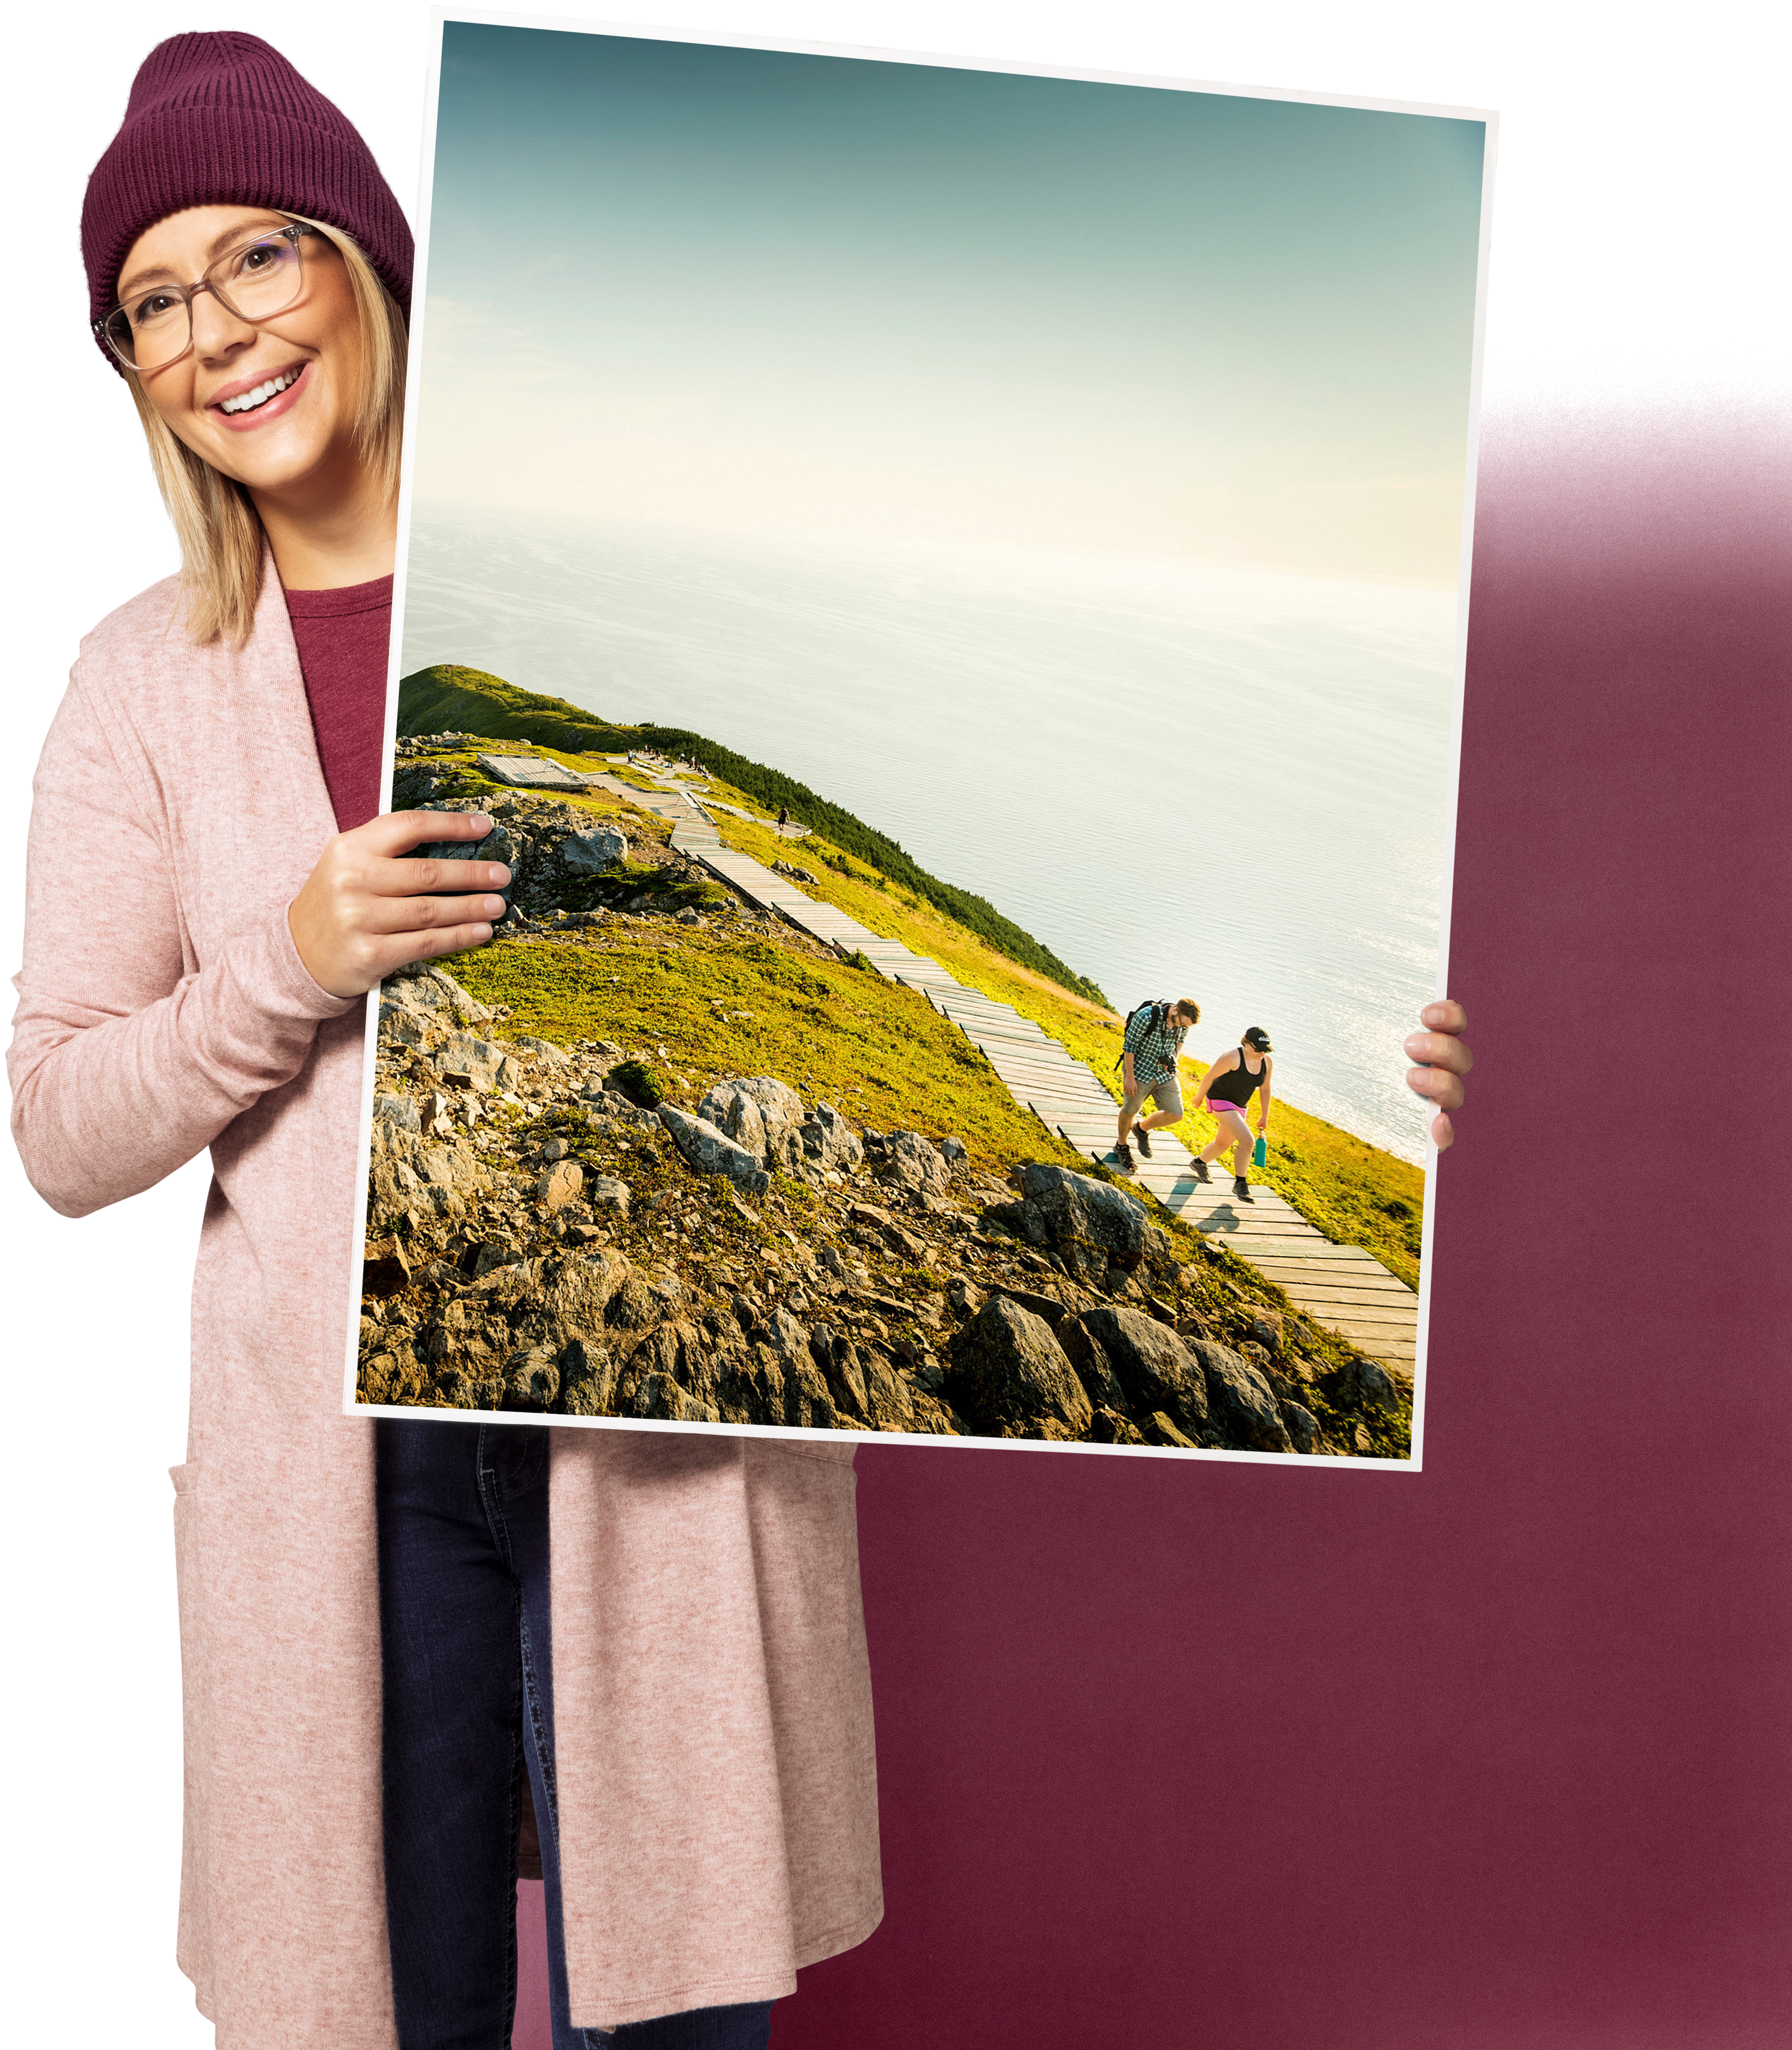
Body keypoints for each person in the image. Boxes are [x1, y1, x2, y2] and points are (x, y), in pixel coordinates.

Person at [8, 28, 1477, 2050]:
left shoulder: (543, 569)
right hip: (331, 1485)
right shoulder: (150, 679)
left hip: (669, 1452)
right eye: (149, 303)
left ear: (375, 264)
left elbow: (963, 721)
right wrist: (289, 954)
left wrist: (1348, 1086)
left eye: (258, 256)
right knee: (377, 2001)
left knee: (675, 2016)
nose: (210, 332)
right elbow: (63, 1127)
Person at [1109, 996, 1200, 1171]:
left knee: (1176, 1113)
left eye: (1186, 1027)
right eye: (1183, 1024)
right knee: (1130, 1110)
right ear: (1175, 1011)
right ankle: (1121, 1146)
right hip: (1140, 1070)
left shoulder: (1183, 1024)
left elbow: (1180, 1042)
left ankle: (1141, 1130)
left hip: (1164, 1073)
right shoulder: (1146, 1017)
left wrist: (1173, 1057)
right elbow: (1129, 1047)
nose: (1183, 1028)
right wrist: (1130, 1077)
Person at [1189, 1027, 1273, 1200]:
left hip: (1240, 1106)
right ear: (1247, 1044)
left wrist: (1265, 1115)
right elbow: (1209, 1077)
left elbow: (1265, 1089)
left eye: (1266, 1049)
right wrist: (1199, 1097)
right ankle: (1241, 1183)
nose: (1262, 1053)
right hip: (1220, 1100)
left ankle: (1199, 1163)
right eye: (1258, 1049)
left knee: (1223, 1143)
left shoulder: (1267, 1062)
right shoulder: (1232, 1057)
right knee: (1247, 1141)